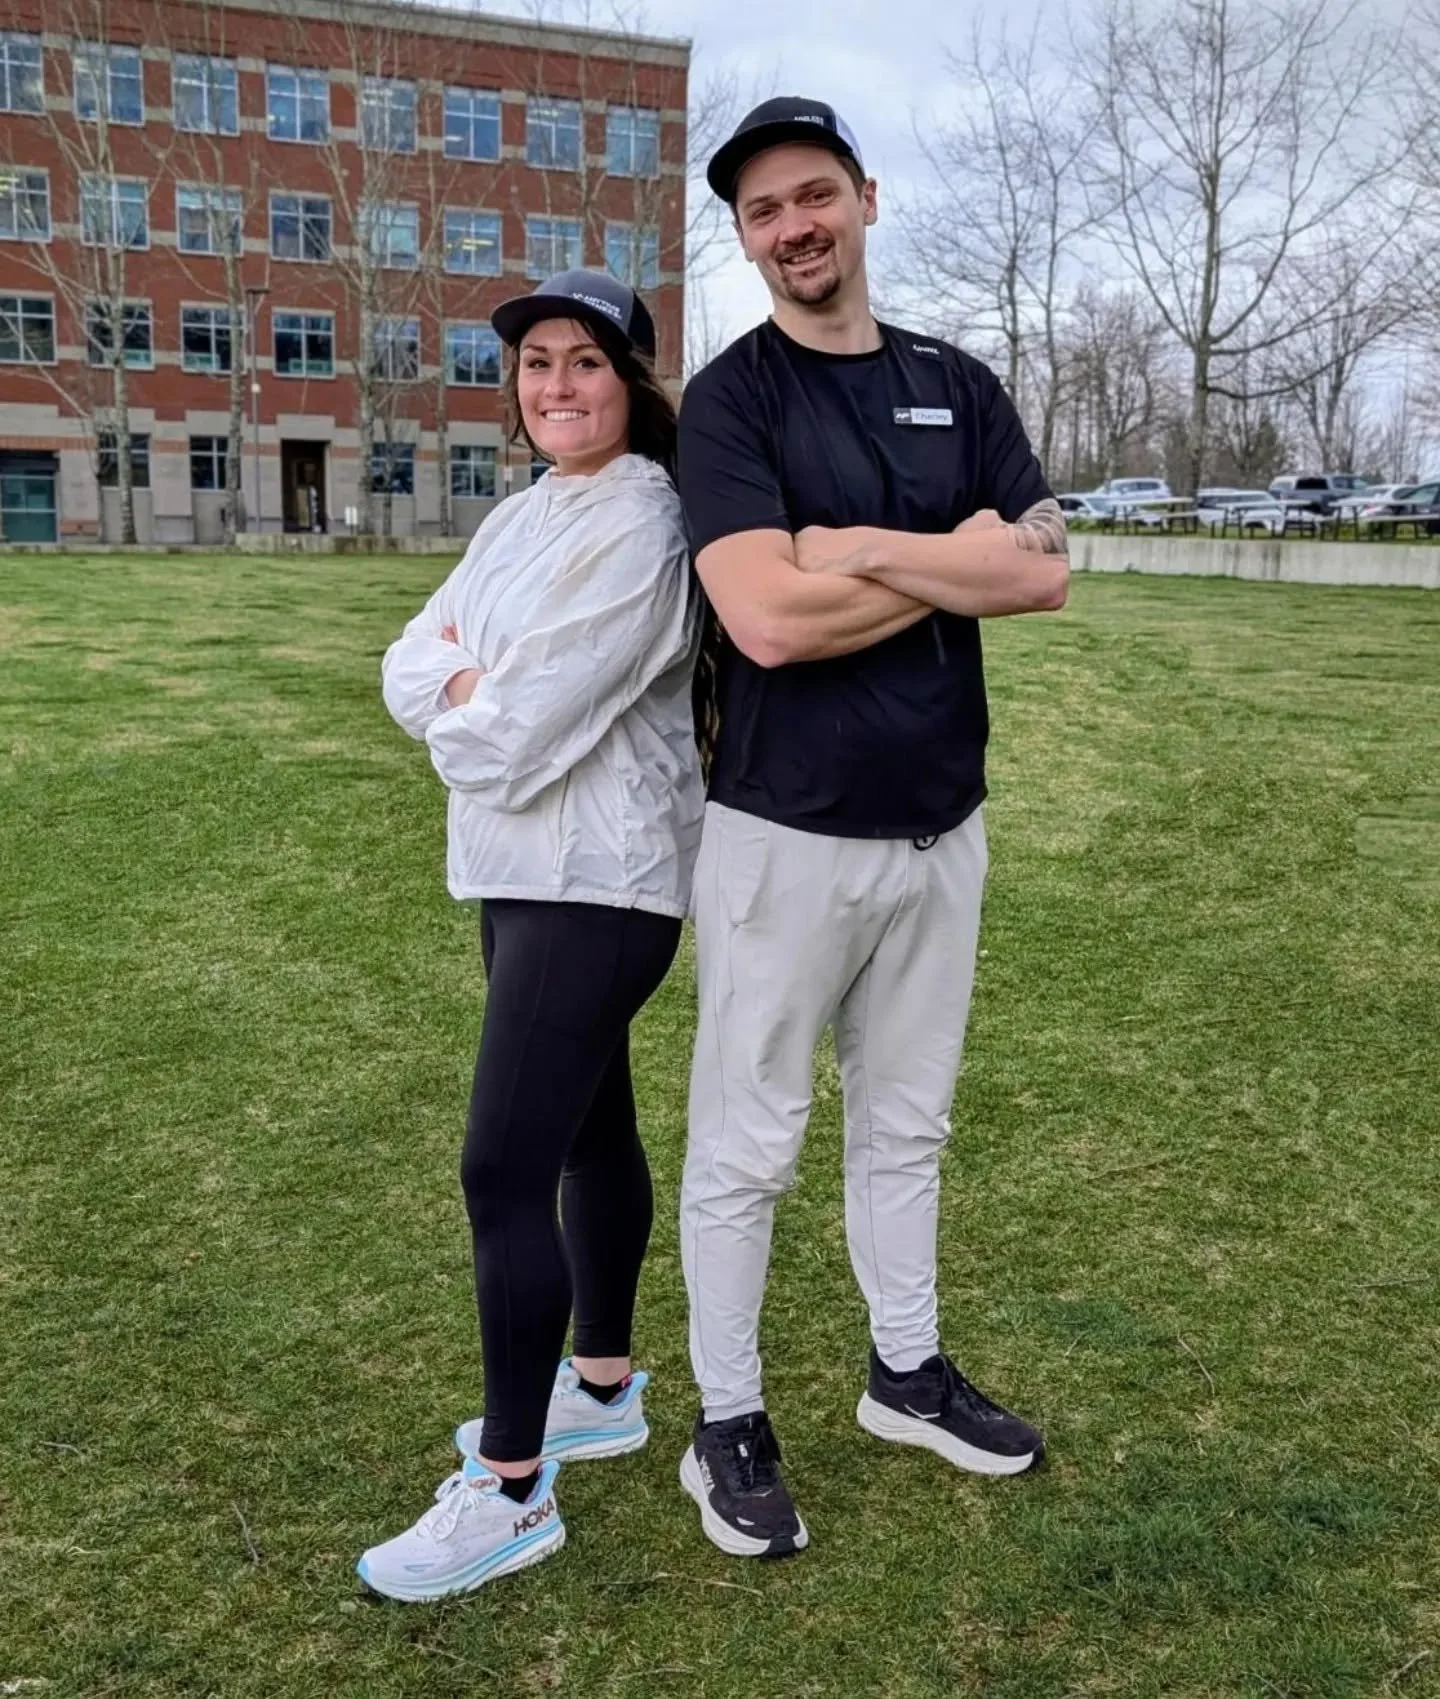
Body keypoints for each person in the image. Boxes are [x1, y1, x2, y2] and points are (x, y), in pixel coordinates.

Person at [676, 98, 1071, 1559]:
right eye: (765, 211)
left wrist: (867, 549)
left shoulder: (955, 386)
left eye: (814, 195)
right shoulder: (733, 403)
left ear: (866, 198)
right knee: (748, 1144)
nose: (794, 228)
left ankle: (904, 1375)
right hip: (785, 838)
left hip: (938, 831)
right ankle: (726, 1421)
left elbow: (1041, 576)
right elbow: (768, 622)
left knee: (907, 1128)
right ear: (744, 237)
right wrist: (953, 557)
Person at [359, 270, 703, 1601]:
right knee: (585, 1130)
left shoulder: (645, 523)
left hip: (597, 882)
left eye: (587, 361)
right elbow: (406, 657)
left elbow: (512, 737)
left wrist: (467, 690)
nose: (557, 384)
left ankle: (509, 1491)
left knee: (501, 1168)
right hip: (518, 875)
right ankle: (601, 1386)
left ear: (634, 380)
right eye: (538, 362)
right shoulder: (521, 515)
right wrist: (462, 679)